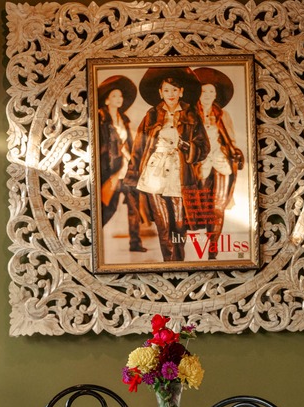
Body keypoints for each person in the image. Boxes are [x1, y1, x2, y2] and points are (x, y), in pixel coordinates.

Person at [125, 66, 209, 262]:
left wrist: (187, 146)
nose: (170, 94)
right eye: (166, 90)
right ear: (160, 92)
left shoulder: (191, 115)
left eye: (174, 89)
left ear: (181, 92)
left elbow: (203, 147)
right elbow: (139, 146)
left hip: (180, 177)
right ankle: (170, 266)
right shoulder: (152, 115)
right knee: (163, 226)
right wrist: (131, 175)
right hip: (154, 176)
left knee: (179, 225)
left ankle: (179, 264)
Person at [190, 67, 245, 260]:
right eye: (204, 91)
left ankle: (213, 249)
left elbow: (231, 140)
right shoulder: (190, 115)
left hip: (221, 165)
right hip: (199, 167)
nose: (208, 95)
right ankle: (203, 242)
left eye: (211, 91)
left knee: (218, 206)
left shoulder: (223, 115)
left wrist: (235, 153)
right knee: (202, 208)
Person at [95, 75, 146, 252]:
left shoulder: (124, 119)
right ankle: (92, 238)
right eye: (115, 96)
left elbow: (130, 143)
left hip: (128, 170)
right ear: (107, 99)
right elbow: (102, 147)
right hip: (112, 170)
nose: (119, 99)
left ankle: (135, 243)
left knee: (134, 207)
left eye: (120, 96)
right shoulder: (100, 119)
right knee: (108, 207)